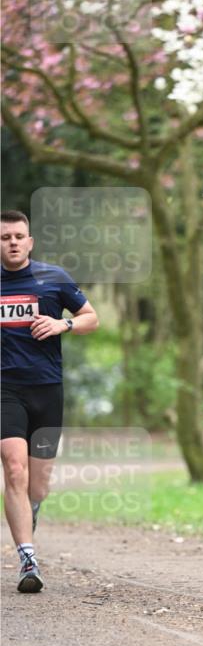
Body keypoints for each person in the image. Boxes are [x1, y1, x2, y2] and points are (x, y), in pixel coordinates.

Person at [1, 210, 99, 593]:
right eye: (5, 237)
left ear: (30, 242)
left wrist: (64, 324)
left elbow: (91, 317)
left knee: (38, 485)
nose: (12, 242)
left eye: (18, 236)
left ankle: (31, 511)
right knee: (14, 469)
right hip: (5, 390)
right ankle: (28, 558)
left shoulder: (53, 278)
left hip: (46, 389)